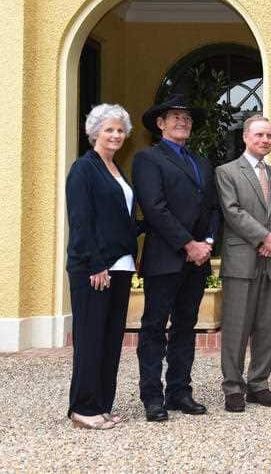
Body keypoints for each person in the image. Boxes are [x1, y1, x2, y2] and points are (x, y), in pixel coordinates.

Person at [133, 94, 219, 422]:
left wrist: (207, 242)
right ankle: (152, 396)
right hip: (165, 258)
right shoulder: (147, 159)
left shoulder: (202, 162)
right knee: (154, 327)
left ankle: (180, 391)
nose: (183, 122)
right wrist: (187, 244)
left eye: (187, 117)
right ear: (160, 124)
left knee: (185, 326)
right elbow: (154, 208)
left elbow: (213, 208)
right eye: (175, 117)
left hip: (198, 261)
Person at [65, 104, 139, 429]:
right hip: (94, 268)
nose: (115, 135)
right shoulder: (84, 169)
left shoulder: (116, 168)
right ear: (95, 132)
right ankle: (82, 408)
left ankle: (102, 405)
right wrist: (95, 263)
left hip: (120, 265)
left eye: (120, 130)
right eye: (109, 129)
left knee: (110, 339)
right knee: (91, 338)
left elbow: (120, 219)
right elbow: (81, 221)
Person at [215, 116, 271, 412]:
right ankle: (233, 387)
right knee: (236, 327)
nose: (265, 140)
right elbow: (232, 211)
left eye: (269, 135)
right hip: (241, 260)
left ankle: (259, 384)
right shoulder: (227, 172)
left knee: (266, 327)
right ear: (246, 137)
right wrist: (264, 237)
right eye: (259, 135)